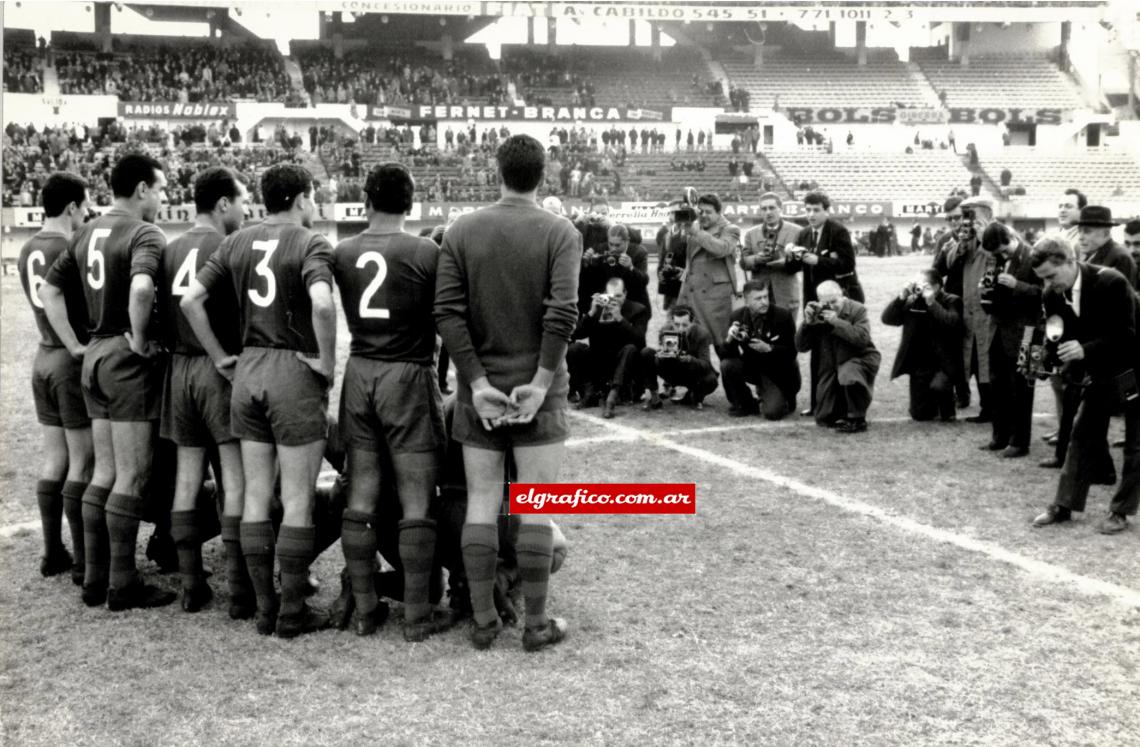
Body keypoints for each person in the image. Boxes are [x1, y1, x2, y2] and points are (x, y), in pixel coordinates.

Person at [434, 134, 579, 652]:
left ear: (495, 171)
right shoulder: (560, 231)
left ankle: (482, 622)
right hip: (539, 390)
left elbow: (447, 314)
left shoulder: (462, 230)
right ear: (544, 175)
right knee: (536, 506)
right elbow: (562, 313)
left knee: (480, 502)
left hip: (481, 392)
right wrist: (540, 385)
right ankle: (535, 626)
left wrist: (474, 382)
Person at [181, 163, 337, 639]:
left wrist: (221, 357)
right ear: (300, 198)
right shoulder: (312, 243)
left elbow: (190, 300)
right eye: (311, 197)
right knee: (295, 500)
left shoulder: (235, 241)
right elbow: (324, 305)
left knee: (252, 495)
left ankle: (262, 608)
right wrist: (327, 363)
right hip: (292, 371)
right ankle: (292, 611)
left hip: (247, 371)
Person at [40, 153, 175, 611]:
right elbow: (141, 289)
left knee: (104, 471)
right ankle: (123, 583)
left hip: (93, 357)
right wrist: (139, 340)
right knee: (132, 475)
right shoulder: (144, 232)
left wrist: (75, 345)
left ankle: (94, 580)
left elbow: (48, 291)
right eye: (159, 189)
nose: (162, 197)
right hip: (124, 360)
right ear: (140, 189)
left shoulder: (85, 231)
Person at [331, 163, 449, 640]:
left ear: (366, 199)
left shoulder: (342, 251)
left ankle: (365, 609)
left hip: (360, 373)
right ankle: (418, 616)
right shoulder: (426, 251)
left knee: (361, 495)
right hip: (408, 374)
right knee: (417, 500)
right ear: (411, 201)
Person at [159, 167, 248, 614]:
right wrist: (221, 356)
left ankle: (191, 585)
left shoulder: (169, 247)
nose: (245, 210)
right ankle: (238, 589)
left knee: (188, 479)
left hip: (178, 371)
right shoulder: (229, 245)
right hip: (218, 368)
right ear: (223, 204)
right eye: (242, 201)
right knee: (233, 478)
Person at [1029, 237, 1139, 533]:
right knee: (1082, 434)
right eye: (1042, 279)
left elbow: (1127, 335)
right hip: (1103, 369)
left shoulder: (1111, 282)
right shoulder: (1052, 294)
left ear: (1070, 261)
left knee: (1136, 443)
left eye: (1051, 276)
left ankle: (1120, 511)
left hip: (1133, 366)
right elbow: (1058, 336)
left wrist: (1084, 350)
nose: (1048, 284)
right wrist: (1048, 360)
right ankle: (1064, 505)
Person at [18, 172, 92, 582]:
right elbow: (60, 298)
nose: (87, 213)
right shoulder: (69, 245)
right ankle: (84, 559)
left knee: (55, 459)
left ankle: (52, 552)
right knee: (83, 460)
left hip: (41, 358)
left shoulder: (29, 245)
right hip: (66, 359)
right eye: (85, 206)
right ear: (71, 208)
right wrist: (77, 346)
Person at [1040, 206, 1138, 471]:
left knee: (1121, 417)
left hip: (1120, 353)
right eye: (1080, 230)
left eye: (1089, 231)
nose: (1081, 236)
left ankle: (1110, 474)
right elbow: (1059, 320)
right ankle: (1082, 462)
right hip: (1090, 348)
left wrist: (1086, 347)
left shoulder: (1118, 260)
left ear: (1106, 232)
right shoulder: (1083, 260)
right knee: (1080, 406)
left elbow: (1121, 320)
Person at [785, 190, 864, 416]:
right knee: (817, 351)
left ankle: (842, 403)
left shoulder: (838, 231)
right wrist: (791, 256)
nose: (811, 214)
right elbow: (792, 270)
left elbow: (848, 264)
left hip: (837, 300)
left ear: (826, 211)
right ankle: (817, 402)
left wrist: (819, 260)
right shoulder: (804, 234)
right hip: (813, 300)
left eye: (816, 210)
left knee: (838, 349)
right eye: (808, 209)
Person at [977, 222, 1042, 458]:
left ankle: (1019, 442)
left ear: (1011, 236)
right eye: (997, 254)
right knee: (998, 387)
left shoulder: (1035, 256)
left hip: (1028, 334)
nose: (1001, 256)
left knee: (1023, 390)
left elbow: (1048, 293)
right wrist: (986, 292)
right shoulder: (995, 257)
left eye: (1004, 250)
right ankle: (999, 437)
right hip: (998, 332)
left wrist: (1018, 285)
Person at [795, 281, 880, 433]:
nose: (831, 306)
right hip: (832, 365)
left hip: (859, 358)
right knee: (824, 418)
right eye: (826, 303)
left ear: (843, 296)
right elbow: (801, 347)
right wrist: (807, 324)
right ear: (819, 300)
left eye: (834, 301)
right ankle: (842, 410)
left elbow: (862, 340)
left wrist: (836, 322)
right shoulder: (817, 313)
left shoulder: (857, 309)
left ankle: (857, 419)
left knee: (848, 373)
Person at [881, 270, 963, 422]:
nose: (918, 289)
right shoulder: (913, 301)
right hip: (920, 363)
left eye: (923, 285)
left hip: (944, 362)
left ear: (937, 287)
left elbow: (951, 323)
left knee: (939, 388)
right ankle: (931, 404)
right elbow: (887, 319)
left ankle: (948, 405)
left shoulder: (952, 300)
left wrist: (932, 303)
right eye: (916, 285)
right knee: (920, 415)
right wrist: (901, 298)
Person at [568, 277, 649, 418]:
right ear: (605, 294)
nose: (615, 300)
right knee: (574, 348)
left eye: (618, 296)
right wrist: (591, 313)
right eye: (611, 296)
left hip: (624, 363)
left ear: (625, 294)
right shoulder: (598, 308)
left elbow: (640, 341)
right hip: (600, 360)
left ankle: (613, 395)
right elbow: (575, 334)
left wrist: (620, 319)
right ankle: (589, 392)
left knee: (630, 348)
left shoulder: (638, 310)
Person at [720, 281, 800, 419]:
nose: (764, 302)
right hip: (752, 365)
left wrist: (770, 348)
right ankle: (745, 403)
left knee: (772, 413)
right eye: (758, 299)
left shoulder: (783, 316)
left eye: (765, 297)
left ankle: (786, 398)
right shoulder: (737, 316)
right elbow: (726, 355)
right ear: (746, 301)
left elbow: (793, 352)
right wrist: (729, 338)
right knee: (727, 365)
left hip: (777, 371)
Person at [676, 193, 742, 345]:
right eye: (700, 211)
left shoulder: (731, 229)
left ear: (719, 213)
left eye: (708, 212)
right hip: (691, 294)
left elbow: (722, 249)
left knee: (723, 345)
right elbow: (689, 261)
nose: (703, 215)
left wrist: (696, 232)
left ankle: (728, 369)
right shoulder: (695, 226)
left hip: (715, 299)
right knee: (689, 344)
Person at [957, 196, 998, 423]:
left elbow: (1000, 258)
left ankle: (994, 409)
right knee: (974, 359)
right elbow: (950, 262)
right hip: (971, 311)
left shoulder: (1001, 233)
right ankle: (985, 409)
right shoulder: (968, 238)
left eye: (972, 213)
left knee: (988, 361)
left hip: (989, 312)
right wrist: (962, 243)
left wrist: (985, 239)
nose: (968, 219)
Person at [932, 196, 974, 410]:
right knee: (956, 349)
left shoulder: (980, 236)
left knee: (978, 348)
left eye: (958, 217)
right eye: (950, 219)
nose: (955, 222)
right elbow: (936, 274)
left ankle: (989, 397)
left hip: (978, 301)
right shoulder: (945, 239)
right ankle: (962, 392)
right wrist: (945, 253)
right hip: (956, 300)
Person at [640, 305, 719, 411]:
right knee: (647, 353)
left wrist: (689, 359)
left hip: (691, 372)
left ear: (692, 322)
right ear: (672, 322)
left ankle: (695, 395)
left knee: (711, 379)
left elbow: (705, 364)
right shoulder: (665, 330)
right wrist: (662, 354)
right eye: (677, 324)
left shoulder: (702, 334)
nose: (680, 329)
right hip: (670, 370)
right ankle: (654, 395)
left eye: (685, 325)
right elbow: (658, 358)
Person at [740, 192, 801, 318]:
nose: (768, 212)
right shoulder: (751, 234)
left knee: (786, 333)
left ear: (780, 209)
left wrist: (785, 261)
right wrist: (757, 259)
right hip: (759, 293)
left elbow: (802, 263)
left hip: (786, 293)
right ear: (760, 211)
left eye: (772, 208)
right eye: (764, 208)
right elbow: (743, 262)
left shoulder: (797, 231)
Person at [579, 223, 650, 313]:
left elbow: (644, 280)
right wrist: (586, 263)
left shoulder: (639, 252)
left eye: (617, 245)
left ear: (627, 241)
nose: (613, 249)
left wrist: (631, 267)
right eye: (611, 244)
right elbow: (590, 280)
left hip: (633, 304)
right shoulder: (599, 249)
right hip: (607, 303)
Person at [655, 203, 688, 311]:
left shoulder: (690, 233)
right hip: (670, 286)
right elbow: (664, 257)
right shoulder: (667, 234)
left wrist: (684, 274)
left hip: (686, 285)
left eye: (674, 212)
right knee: (671, 318)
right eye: (670, 212)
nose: (671, 215)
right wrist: (661, 272)